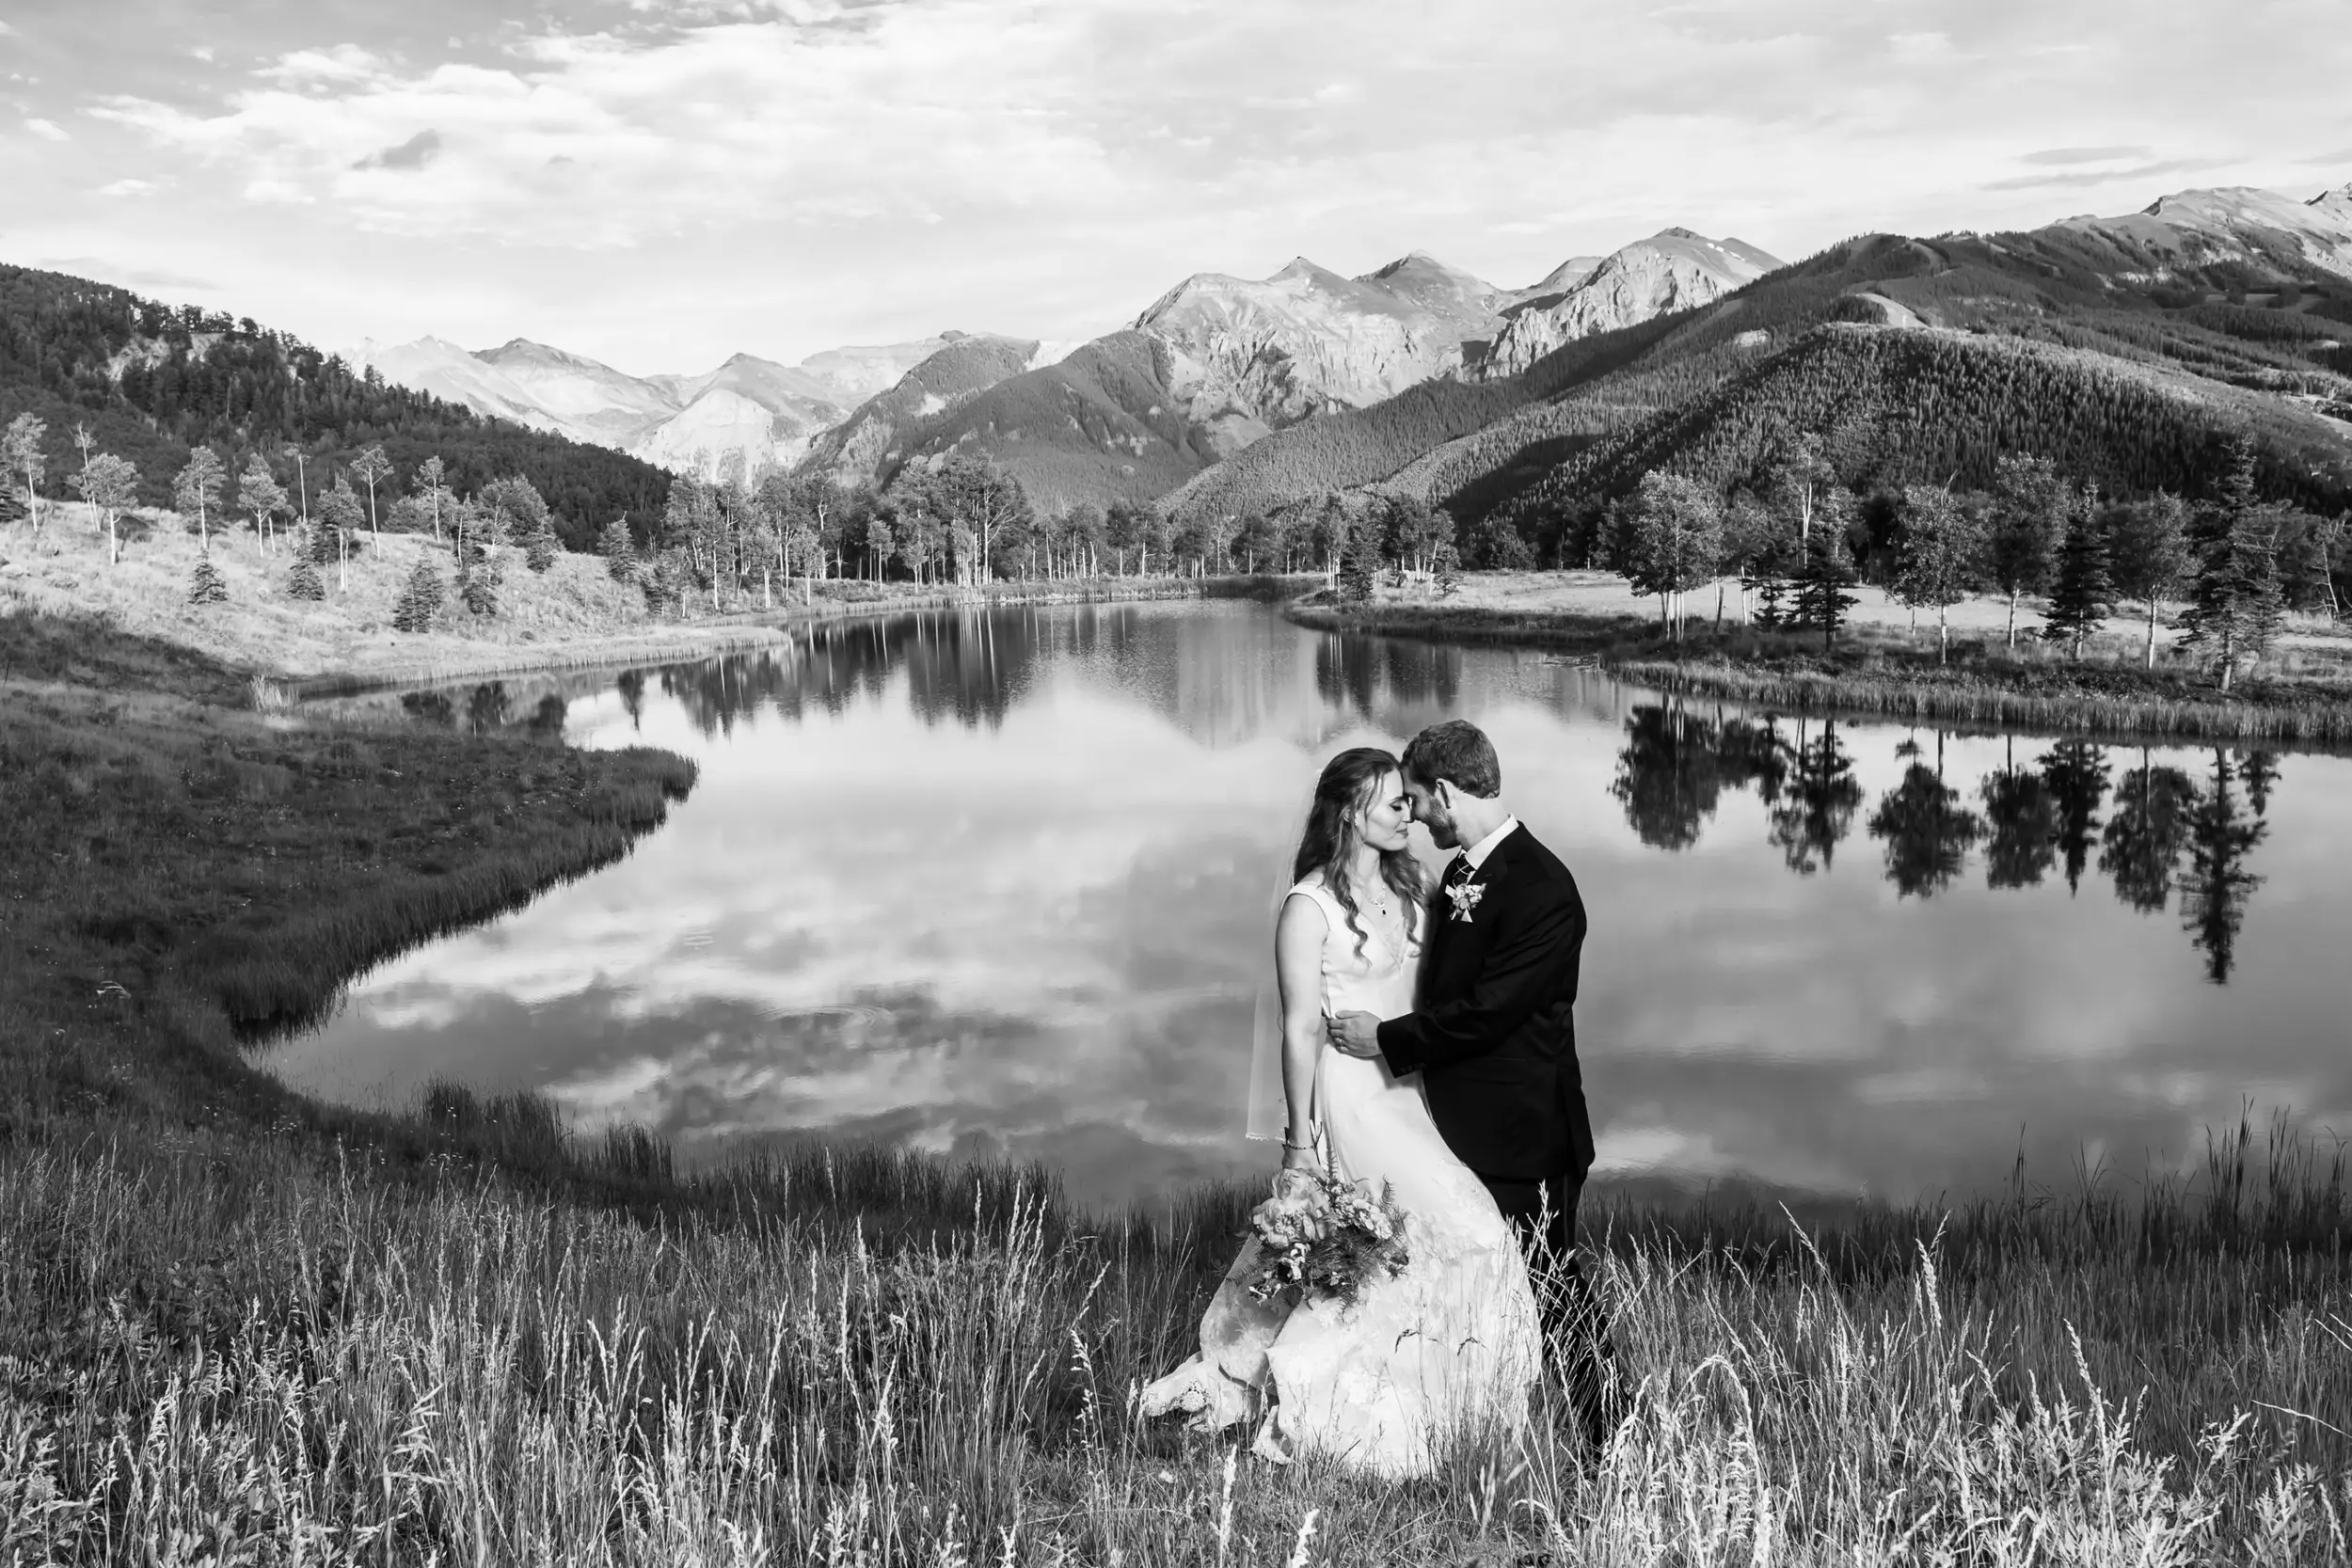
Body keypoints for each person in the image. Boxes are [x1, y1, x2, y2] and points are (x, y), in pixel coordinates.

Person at [1139, 746, 1538, 1477]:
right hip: (1354, 1099)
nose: (1410, 812)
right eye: (1394, 802)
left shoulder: (1416, 883)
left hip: (1412, 1091)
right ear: (1352, 812)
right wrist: (1299, 1145)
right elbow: (1298, 1029)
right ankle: (1333, 1395)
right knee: (1464, 1228)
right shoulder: (1308, 906)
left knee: (1430, 1242)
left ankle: (1447, 1395)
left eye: (1409, 800)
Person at [1326, 719, 1616, 1446]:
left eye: (1418, 801)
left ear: (1447, 793)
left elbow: (1487, 1015)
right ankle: (1479, 1423)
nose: (1416, 817)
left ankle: (1611, 1430)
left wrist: (1384, 1038)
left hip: (1528, 1138)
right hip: (1466, 1129)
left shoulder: (1543, 888)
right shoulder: (1463, 872)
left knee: (1552, 1291)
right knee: (1489, 1287)